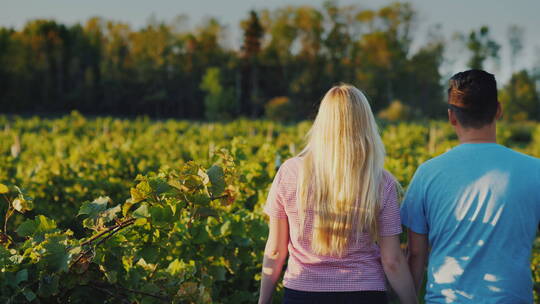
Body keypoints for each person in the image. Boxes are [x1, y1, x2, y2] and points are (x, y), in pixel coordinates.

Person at [258, 84, 417, 304]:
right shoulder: (382, 181)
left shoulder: (289, 173)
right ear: (365, 124)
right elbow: (392, 261)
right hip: (365, 293)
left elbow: (275, 251)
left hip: (303, 293)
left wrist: (263, 301)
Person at [401, 69, 540, 303]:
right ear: (498, 110)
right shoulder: (535, 170)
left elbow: (415, 254)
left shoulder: (427, 173)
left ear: (451, 117)